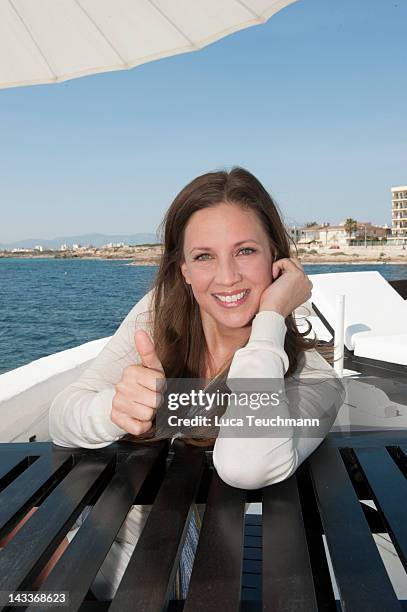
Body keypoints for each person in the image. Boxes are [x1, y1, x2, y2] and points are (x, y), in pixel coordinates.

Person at [37, 168, 346, 598]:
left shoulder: (312, 378)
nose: (227, 277)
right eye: (204, 256)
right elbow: (63, 416)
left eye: (245, 251)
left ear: (278, 259)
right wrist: (112, 410)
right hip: (108, 537)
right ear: (183, 270)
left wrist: (270, 319)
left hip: (191, 571)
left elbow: (247, 464)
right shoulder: (157, 319)